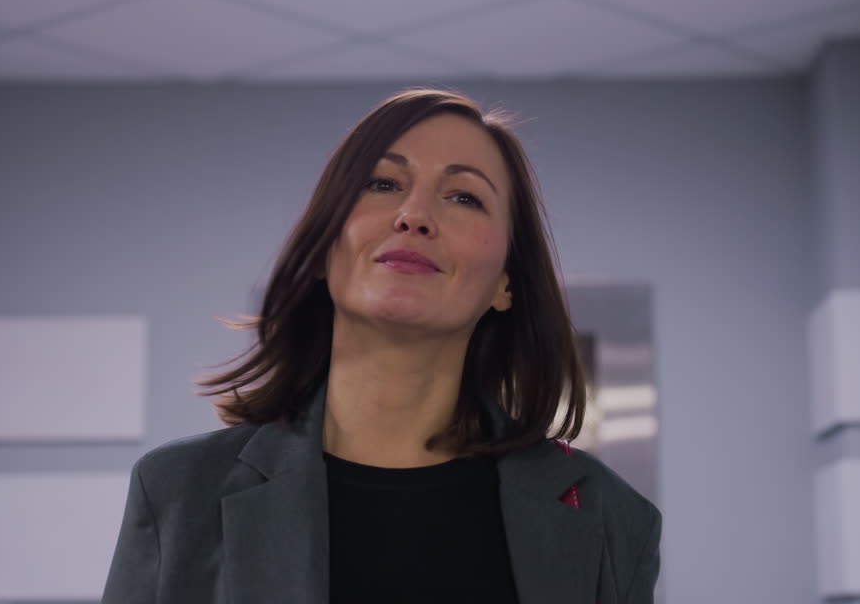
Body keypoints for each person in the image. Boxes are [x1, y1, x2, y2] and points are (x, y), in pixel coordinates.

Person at [102, 88, 661, 603]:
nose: (414, 216)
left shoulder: (609, 517)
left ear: (505, 283)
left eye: (465, 197)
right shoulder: (179, 493)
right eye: (383, 184)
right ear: (325, 247)